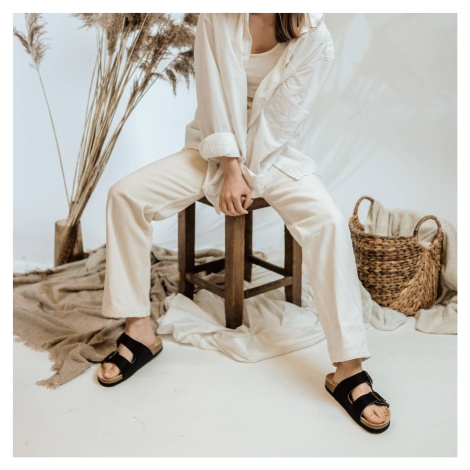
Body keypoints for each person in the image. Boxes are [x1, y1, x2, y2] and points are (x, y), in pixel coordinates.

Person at [97, 13, 391, 433]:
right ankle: (139, 329)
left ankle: (349, 368)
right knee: (125, 195)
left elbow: (279, 123)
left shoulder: (314, 35)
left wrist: (243, 176)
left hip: (274, 156)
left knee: (327, 221)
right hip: (211, 148)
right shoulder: (216, 14)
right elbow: (213, 97)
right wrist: (229, 169)